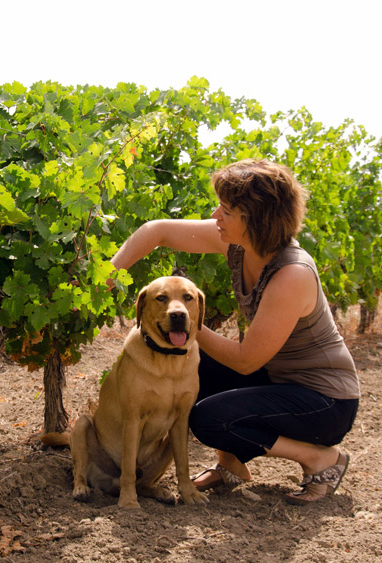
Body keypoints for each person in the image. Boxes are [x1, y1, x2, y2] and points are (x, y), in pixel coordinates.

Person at [109, 159, 359, 504]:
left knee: (209, 419)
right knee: (194, 365)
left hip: (324, 402)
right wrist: (111, 272)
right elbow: (157, 231)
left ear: (255, 218)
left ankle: (320, 458)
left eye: (226, 209)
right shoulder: (239, 243)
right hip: (280, 380)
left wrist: (181, 322)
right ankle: (231, 466)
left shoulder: (292, 275)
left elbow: (245, 362)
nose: (215, 215)